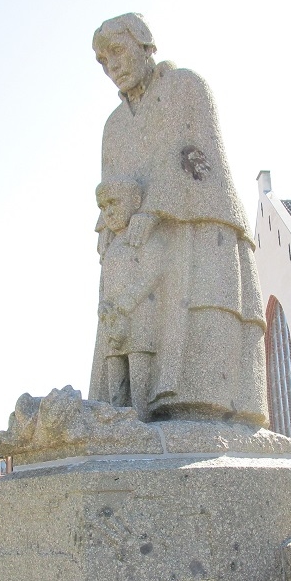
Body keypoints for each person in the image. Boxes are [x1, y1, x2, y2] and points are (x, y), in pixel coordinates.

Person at [88, 13, 268, 428]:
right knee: (128, 330)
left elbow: (198, 156)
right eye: (102, 61)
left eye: (116, 51)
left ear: (144, 43)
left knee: (200, 322)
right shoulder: (113, 126)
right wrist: (105, 231)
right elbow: (108, 188)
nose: (111, 65)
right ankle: (128, 410)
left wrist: (154, 210)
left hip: (196, 226)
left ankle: (200, 409)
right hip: (133, 248)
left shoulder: (186, 86)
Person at [94, 177, 165, 420]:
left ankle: (141, 420)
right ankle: (119, 421)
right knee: (115, 374)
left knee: (138, 371)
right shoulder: (110, 245)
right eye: (103, 208)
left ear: (135, 201)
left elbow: (152, 273)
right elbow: (104, 282)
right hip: (111, 321)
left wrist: (126, 303)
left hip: (139, 316)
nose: (109, 212)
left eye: (114, 203)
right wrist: (103, 306)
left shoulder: (144, 237)